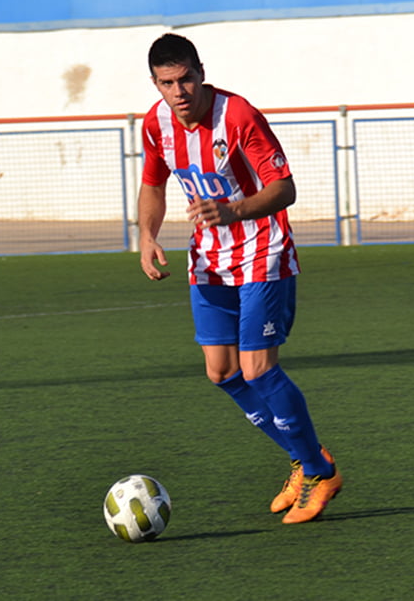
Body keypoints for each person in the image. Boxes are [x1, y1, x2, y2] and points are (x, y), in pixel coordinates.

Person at [137, 33, 342, 523]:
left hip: (261, 251)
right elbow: (152, 184)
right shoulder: (155, 124)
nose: (179, 90)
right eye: (168, 82)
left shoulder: (238, 115)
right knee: (222, 372)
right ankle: (303, 460)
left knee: (258, 370)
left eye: (186, 77)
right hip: (209, 259)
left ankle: (320, 471)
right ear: (156, 84)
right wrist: (146, 236)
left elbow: (284, 189)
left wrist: (235, 210)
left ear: (201, 71)